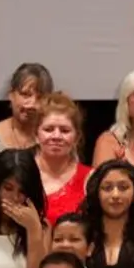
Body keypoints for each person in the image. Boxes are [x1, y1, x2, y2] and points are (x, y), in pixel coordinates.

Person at [0, 63, 53, 177]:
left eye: (40, 97)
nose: (32, 104)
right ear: (11, 95)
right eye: (25, 95)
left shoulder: (55, 138)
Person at [34, 92, 93, 222]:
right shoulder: (21, 175)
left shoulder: (91, 179)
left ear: (77, 138)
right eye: (48, 129)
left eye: (65, 130)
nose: (56, 136)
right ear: (36, 135)